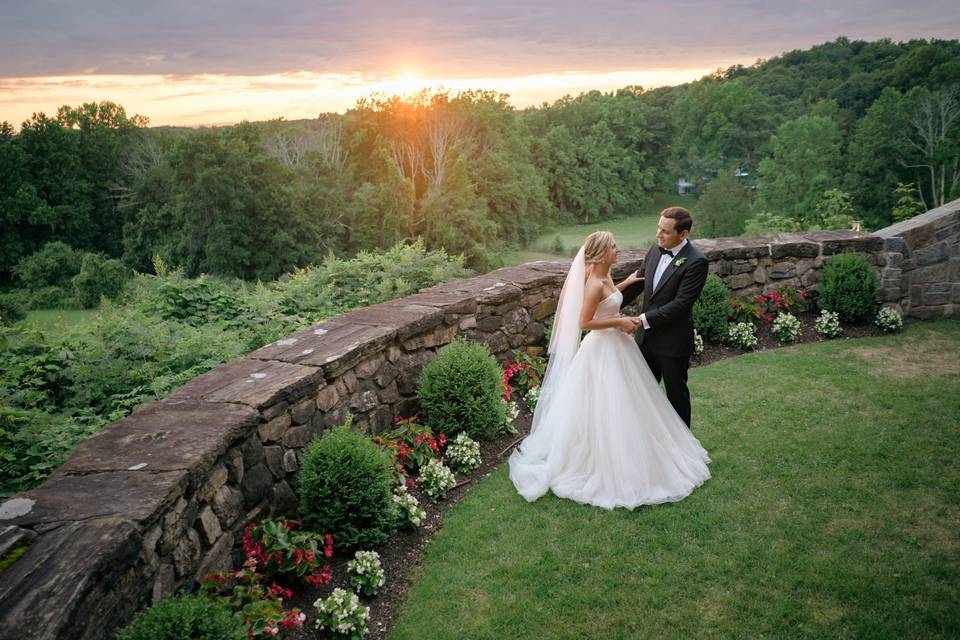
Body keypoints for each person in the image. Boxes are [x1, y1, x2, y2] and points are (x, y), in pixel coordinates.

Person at [508, 231, 710, 510]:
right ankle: (602, 460)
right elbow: (584, 321)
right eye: (614, 247)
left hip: (618, 347)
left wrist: (625, 283)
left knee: (630, 403)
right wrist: (618, 321)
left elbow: (609, 293)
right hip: (602, 350)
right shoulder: (593, 283)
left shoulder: (603, 277)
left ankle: (634, 450)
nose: (618, 250)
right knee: (607, 404)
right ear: (602, 253)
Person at [621, 207, 709, 428]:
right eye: (658, 228)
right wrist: (607, 305)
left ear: (683, 234)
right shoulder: (654, 250)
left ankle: (683, 450)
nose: (658, 234)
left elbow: (680, 305)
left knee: (676, 397)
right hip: (646, 341)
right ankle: (646, 442)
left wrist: (641, 320)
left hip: (673, 342)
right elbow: (637, 284)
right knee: (641, 394)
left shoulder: (696, 262)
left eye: (665, 231)